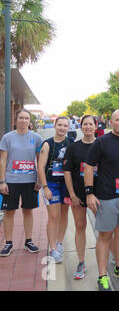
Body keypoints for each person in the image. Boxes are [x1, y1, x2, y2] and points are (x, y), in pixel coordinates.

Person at [84, 110, 119, 291]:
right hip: (106, 197)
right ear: (111, 122)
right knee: (105, 236)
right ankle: (102, 276)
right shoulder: (101, 142)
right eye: (118, 120)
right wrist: (89, 193)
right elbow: (89, 168)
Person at [0, 109, 42, 257]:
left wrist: (39, 179)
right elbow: (3, 160)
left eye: (26, 118)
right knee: (9, 212)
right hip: (11, 181)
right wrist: (2, 181)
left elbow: (40, 161)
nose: (24, 121)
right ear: (16, 120)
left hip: (30, 181)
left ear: (29, 121)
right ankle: (8, 243)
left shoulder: (36, 138)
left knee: (28, 211)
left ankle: (28, 241)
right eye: (21, 118)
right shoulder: (7, 138)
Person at [63, 115, 98, 279]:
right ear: (81, 126)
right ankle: (81, 261)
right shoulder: (73, 147)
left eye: (91, 124)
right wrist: (72, 195)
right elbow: (67, 172)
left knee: (106, 228)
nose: (88, 127)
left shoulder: (102, 145)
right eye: (85, 124)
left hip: (100, 195)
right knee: (80, 227)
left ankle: (116, 259)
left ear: (96, 126)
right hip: (78, 194)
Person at [38, 116, 71, 264]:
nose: (62, 128)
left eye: (65, 126)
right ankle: (52, 248)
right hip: (51, 184)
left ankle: (59, 242)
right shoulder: (47, 144)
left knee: (64, 214)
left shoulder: (70, 143)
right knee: (53, 216)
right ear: (55, 126)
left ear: (68, 128)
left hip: (66, 184)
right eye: (60, 125)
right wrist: (45, 187)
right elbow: (40, 167)